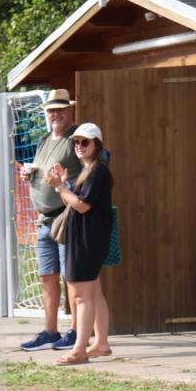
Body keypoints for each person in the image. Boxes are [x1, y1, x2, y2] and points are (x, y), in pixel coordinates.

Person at [44, 123, 113, 366]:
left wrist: (60, 186)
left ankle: (79, 350)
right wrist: (65, 184)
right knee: (94, 292)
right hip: (88, 238)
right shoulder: (89, 171)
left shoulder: (98, 171)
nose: (79, 146)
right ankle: (101, 343)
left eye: (85, 142)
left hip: (87, 240)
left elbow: (82, 205)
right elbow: (78, 200)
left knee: (81, 296)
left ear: (97, 145)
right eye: (76, 143)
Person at [20, 89, 81, 351]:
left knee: (72, 278)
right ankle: (50, 330)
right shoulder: (45, 139)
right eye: (51, 110)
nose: (55, 114)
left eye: (60, 109)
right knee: (47, 276)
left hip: (65, 218)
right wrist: (29, 175)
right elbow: (43, 173)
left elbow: (89, 171)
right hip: (43, 220)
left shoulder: (75, 140)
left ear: (70, 111)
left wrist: (65, 185)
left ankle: (77, 331)